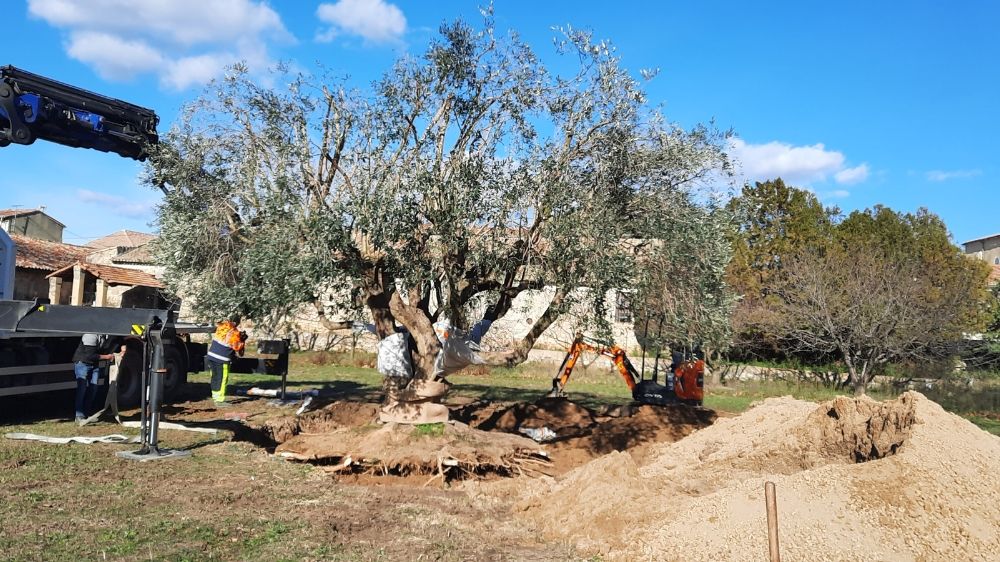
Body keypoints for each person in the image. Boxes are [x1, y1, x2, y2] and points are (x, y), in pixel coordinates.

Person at [72, 333, 115, 423]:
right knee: (82, 389)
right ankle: (79, 415)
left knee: (94, 389)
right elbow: (90, 355)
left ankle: (87, 413)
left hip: (94, 364)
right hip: (83, 363)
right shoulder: (90, 335)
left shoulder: (104, 336)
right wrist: (107, 357)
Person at [206, 316, 247, 405]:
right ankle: (220, 400)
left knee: (214, 377)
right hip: (222, 358)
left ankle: (215, 397)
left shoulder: (221, 327)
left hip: (211, 356)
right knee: (222, 379)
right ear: (237, 323)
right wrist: (242, 340)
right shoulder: (235, 333)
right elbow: (238, 350)